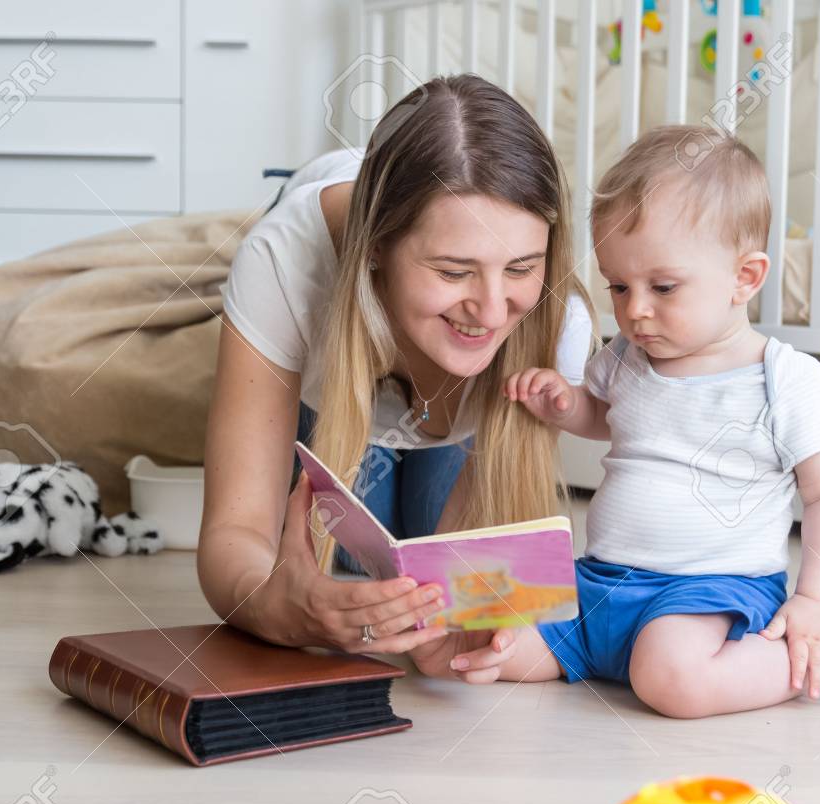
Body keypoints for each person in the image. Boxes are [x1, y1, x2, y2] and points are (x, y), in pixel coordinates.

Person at [430, 125, 820, 718]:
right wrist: (564, 403)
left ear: (746, 277)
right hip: (600, 583)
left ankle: (781, 663)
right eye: (619, 286)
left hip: (709, 594)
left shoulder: (784, 378)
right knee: (482, 634)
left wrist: (816, 601)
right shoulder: (629, 357)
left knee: (670, 679)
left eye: (662, 287)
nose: (635, 310)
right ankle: (585, 653)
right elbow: (605, 418)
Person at [196, 75, 594, 662]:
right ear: (377, 246)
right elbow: (234, 537)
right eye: (454, 272)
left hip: (445, 414)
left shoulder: (558, 322)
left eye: (519, 268)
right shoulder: (281, 263)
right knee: (354, 559)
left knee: (424, 563)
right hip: (336, 387)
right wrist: (285, 611)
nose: (489, 311)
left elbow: (473, 598)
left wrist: (471, 632)